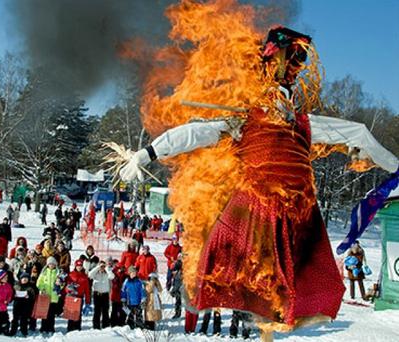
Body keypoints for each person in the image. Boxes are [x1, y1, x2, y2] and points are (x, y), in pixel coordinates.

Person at [117, 25, 350, 335]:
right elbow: (194, 132)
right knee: (229, 251)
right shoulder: (244, 117)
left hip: (294, 210)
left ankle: (286, 306)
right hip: (254, 204)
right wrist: (146, 153)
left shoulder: (301, 124)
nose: (282, 99)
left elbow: (354, 133)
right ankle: (207, 294)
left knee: (297, 268)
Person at [65, 259, 91, 331]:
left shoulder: (84, 276)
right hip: (72, 296)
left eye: (80, 266)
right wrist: (69, 289)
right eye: (78, 266)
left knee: (78, 314)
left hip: (80, 297)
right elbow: (66, 287)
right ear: (75, 266)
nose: (79, 267)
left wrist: (88, 302)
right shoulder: (70, 274)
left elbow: (87, 290)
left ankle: (77, 328)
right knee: (71, 313)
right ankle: (70, 329)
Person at [37, 256, 60, 333]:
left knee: (52, 314)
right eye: (50, 264)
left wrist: (60, 284)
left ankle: (51, 327)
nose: (51, 265)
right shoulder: (44, 272)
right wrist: (42, 288)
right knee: (45, 313)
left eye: (53, 264)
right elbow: (39, 283)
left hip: (54, 297)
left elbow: (62, 284)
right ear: (47, 264)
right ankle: (43, 327)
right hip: (45, 296)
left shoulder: (58, 273)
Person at [88, 259, 115, 329]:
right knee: (97, 311)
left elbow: (112, 276)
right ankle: (96, 326)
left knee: (105, 311)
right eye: (101, 266)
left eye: (103, 266)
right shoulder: (95, 273)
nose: (102, 268)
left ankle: (105, 326)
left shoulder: (107, 273)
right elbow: (89, 275)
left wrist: (106, 268)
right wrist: (97, 267)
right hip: (97, 294)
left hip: (105, 294)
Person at [10, 272, 37, 337]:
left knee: (24, 319)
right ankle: (13, 330)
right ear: (20, 279)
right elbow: (11, 295)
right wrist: (14, 296)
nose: (24, 279)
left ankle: (24, 330)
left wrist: (29, 296)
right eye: (23, 278)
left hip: (26, 305)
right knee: (15, 318)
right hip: (17, 304)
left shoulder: (30, 287)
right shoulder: (16, 286)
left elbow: (33, 296)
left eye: (26, 278)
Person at [110, 259, 127, 327]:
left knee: (122, 310)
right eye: (120, 268)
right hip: (115, 295)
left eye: (122, 268)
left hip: (122, 296)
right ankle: (113, 322)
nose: (121, 269)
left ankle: (121, 322)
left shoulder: (125, 275)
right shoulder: (113, 274)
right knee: (114, 310)